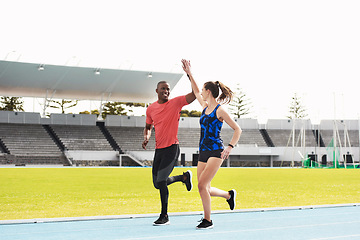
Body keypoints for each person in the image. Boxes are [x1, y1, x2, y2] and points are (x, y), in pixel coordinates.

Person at [181, 59, 242, 230]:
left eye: (203, 90)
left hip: (216, 151)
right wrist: (189, 73)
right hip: (203, 152)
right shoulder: (205, 106)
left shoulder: (220, 110)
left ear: (208, 91)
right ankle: (228, 195)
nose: (200, 92)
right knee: (204, 187)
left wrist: (229, 147)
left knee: (201, 185)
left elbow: (238, 129)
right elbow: (195, 88)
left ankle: (208, 220)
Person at [142, 80, 196, 226]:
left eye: (168, 89)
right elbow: (148, 127)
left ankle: (164, 215)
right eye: (163, 89)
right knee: (157, 184)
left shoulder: (176, 103)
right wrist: (146, 137)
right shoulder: (151, 109)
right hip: (159, 150)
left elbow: (194, 95)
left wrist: (190, 76)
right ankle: (183, 177)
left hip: (172, 148)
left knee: (161, 181)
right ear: (156, 91)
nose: (166, 91)